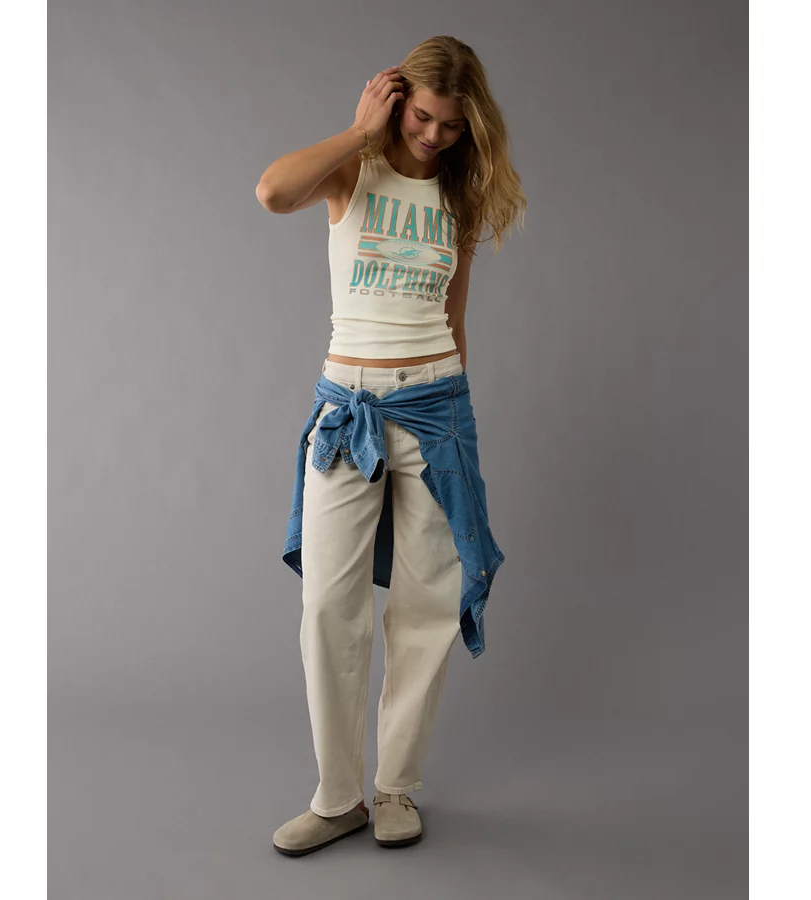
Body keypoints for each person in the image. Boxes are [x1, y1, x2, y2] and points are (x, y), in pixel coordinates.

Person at [256, 35, 526, 856]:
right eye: (423, 117)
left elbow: (455, 317)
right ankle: (337, 797)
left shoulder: (459, 196)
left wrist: (455, 411)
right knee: (328, 607)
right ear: (398, 101)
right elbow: (273, 193)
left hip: (438, 410)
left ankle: (396, 788)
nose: (435, 135)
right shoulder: (354, 171)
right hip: (350, 408)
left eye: (452, 125)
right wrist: (358, 130)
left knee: (426, 607)